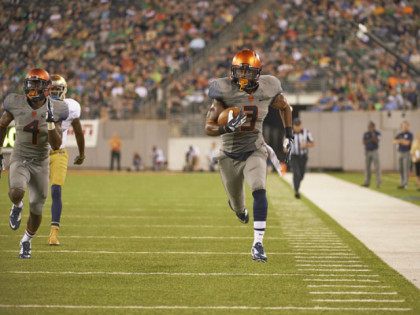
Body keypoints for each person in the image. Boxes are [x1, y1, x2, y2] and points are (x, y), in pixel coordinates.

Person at [205, 49, 293, 262]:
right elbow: (209, 126)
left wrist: (289, 134)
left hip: (255, 148)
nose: (243, 76)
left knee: (259, 188)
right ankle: (239, 209)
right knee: (237, 204)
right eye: (239, 71)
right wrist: (226, 128)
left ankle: (258, 244)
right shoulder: (223, 90)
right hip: (228, 154)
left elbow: (285, 107)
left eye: (248, 72)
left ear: (258, 73)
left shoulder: (269, 86)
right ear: (232, 72)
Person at [0, 68, 69, 259]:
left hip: (41, 161)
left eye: (37, 84)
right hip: (20, 156)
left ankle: (26, 241)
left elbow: (56, 145)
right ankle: (17, 205)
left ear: (46, 87)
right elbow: (2, 125)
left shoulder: (57, 108)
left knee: (37, 209)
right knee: (16, 191)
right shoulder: (16, 102)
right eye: (30, 83)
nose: (32, 87)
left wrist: (49, 123)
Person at [47, 74, 86, 245]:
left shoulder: (71, 106)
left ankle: (54, 233)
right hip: (38, 153)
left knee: (56, 190)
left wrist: (82, 153)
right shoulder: (39, 104)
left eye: (58, 89)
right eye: (52, 89)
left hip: (58, 153)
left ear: (64, 90)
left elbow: (78, 130)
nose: (55, 93)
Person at [290, 117, 315, 199]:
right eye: (295, 125)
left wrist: (306, 145)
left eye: (298, 125)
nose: (297, 127)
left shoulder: (306, 132)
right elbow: (285, 145)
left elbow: (312, 143)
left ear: (301, 125)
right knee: (296, 173)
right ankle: (296, 191)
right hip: (294, 156)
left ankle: (295, 184)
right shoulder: (289, 133)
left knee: (301, 175)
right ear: (293, 126)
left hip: (303, 157)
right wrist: (286, 148)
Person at [393, 121, 413, 189]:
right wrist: (401, 141)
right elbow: (393, 141)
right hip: (400, 152)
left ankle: (405, 184)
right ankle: (402, 182)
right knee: (400, 169)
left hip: (406, 153)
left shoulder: (410, 134)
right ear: (401, 126)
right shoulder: (400, 134)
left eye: (406, 126)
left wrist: (400, 141)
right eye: (403, 126)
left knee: (405, 169)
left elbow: (407, 143)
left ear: (408, 126)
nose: (405, 127)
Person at [362, 121, 381, 188]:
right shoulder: (366, 133)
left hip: (374, 151)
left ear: (373, 127)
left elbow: (377, 141)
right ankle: (367, 182)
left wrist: (373, 135)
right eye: (369, 126)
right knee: (367, 168)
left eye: (371, 126)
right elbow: (364, 142)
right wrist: (371, 139)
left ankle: (378, 182)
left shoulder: (377, 133)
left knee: (377, 167)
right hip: (367, 151)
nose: (369, 128)